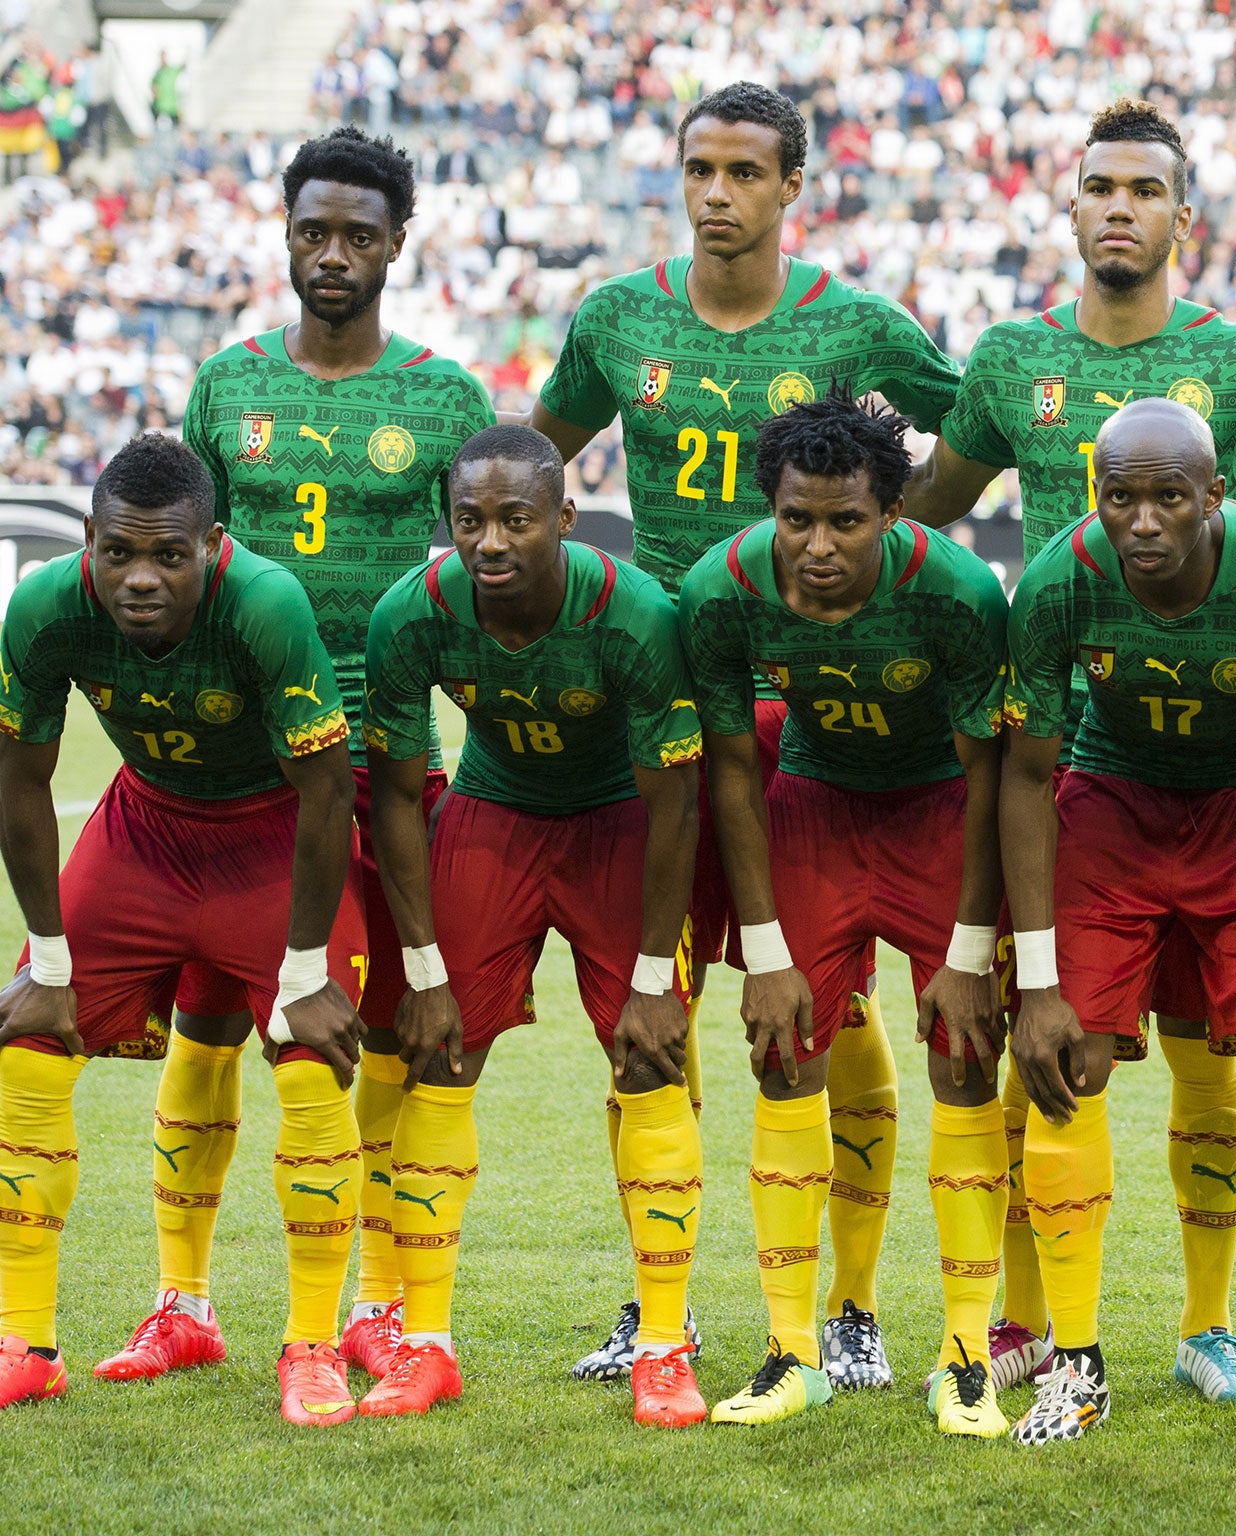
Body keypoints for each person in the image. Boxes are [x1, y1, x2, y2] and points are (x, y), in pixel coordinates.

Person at [907, 96, 1236, 1406]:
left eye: (1145, 191)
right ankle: (1029, 1327)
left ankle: (1209, 1331)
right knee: (1053, 1053)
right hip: (1084, 761)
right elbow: (924, 521)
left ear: (1184, 220)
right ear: (1070, 208)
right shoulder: (1012, 359)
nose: (1119, 208)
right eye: (1099, 187)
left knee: (1217, 1058)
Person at [532, 80, 961, 1386]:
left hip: (816, 715)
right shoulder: (618, 318)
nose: (716, 192)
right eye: (697, 167)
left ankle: (853, 1308)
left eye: (742, 171)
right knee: (645, 995)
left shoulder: (858, 325)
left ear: (792, 186)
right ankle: (654, 1301)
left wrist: (894, 557)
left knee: (831, 1005)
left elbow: (974, 430)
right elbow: (528, 460)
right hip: (660, 709)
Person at [108, 126, 494, 1390]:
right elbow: (172, 559)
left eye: (359, 235)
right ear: (284, 232)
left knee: (375, 1033)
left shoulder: (446, 399)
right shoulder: (225, 384)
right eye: (313, 231)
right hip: (235, 770)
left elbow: (474, 584)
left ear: (398, 244)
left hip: (382, 765)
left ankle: (379, 1302)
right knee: (208, 1027)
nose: (334, 255)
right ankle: (183, 1301)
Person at [998, 397, 1236, 1450]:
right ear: (1092, 497)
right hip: (1113, 799)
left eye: (1168, 497)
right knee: (1071, 1063)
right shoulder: (1061, 580)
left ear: (1219, 496)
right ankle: (1075, 1365)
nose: (1143, 520)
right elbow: (1027, 775)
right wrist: (1035, 979)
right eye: (1121, 498)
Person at [0, 435, 367, 1427]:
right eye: (119, 553)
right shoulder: (43, 607)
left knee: (307, 1056)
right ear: (87, 542)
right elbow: (20, 780)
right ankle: (31, 1340)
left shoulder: (267, 602)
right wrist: (49, 958)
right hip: (144, 828)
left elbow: (329, 794)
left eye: (169, 555)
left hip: (272, 835)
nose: (142, 579)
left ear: (213, 545)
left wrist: (303, 968)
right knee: (27, 1048)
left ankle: (311, 1344)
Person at [677, 397, 1012, 1436]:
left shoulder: (956, 595)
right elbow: (734, 773)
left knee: (964, 1056)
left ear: (897, 513)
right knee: (781, 1054)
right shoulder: (720, 592)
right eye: (796, 520)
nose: (817, 547)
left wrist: (969, 951)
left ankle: (966, 1356)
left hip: (937, 813)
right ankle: (791, 1352)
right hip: (812, 808)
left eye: (846, 524)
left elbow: (993, 778)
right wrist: (763, 952)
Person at [358, 426, 705, 1426]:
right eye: (470, 520)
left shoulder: (637, 616)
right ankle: (424, 1346)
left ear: (564, 516)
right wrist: (421, 965)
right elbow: (392, 795)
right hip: (492, 815)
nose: (491, 541)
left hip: (618, 826)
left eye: (517, 518)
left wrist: (650, 974)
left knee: (649, 1062)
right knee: (439, 1054)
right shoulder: (411, 614)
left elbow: (675, 803)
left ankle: (664, 1345)